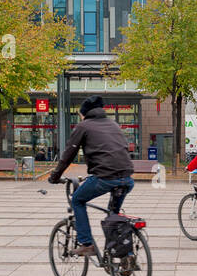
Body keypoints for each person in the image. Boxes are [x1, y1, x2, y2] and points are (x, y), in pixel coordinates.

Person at [47, 96, 134, 258]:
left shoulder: (83, 126)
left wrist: (55, 176)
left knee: (77, 200)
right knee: (113, 216)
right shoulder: (113, 124)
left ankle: (87, 244)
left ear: (84, 113)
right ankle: (124, 256)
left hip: (105, 177)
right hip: (127, 178)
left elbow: (68, 155)